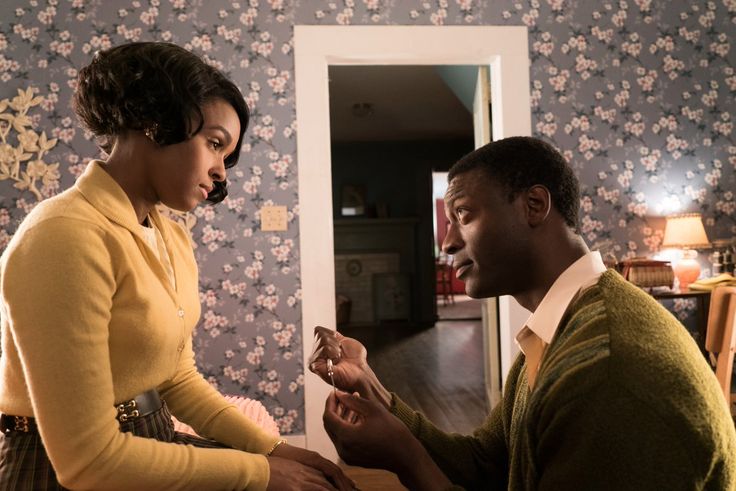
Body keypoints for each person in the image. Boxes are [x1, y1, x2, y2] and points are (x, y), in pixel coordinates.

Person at [0, 42, 353, 491]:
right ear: (154, 120)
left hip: (151, 439)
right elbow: (88, 462)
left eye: (227, 157)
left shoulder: (168, 235)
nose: (222, 172)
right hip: (57, 472)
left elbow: (176, 377)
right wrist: (261, 473)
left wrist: (277, 451)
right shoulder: (65, 236)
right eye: (214, 144)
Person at [310, 136, 736, 490]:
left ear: (534, 205)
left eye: (464, 215)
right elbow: (485, 462)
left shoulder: (607, 371)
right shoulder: (561, 326)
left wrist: (405, 458)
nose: (447, 243)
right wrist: (370, 385)